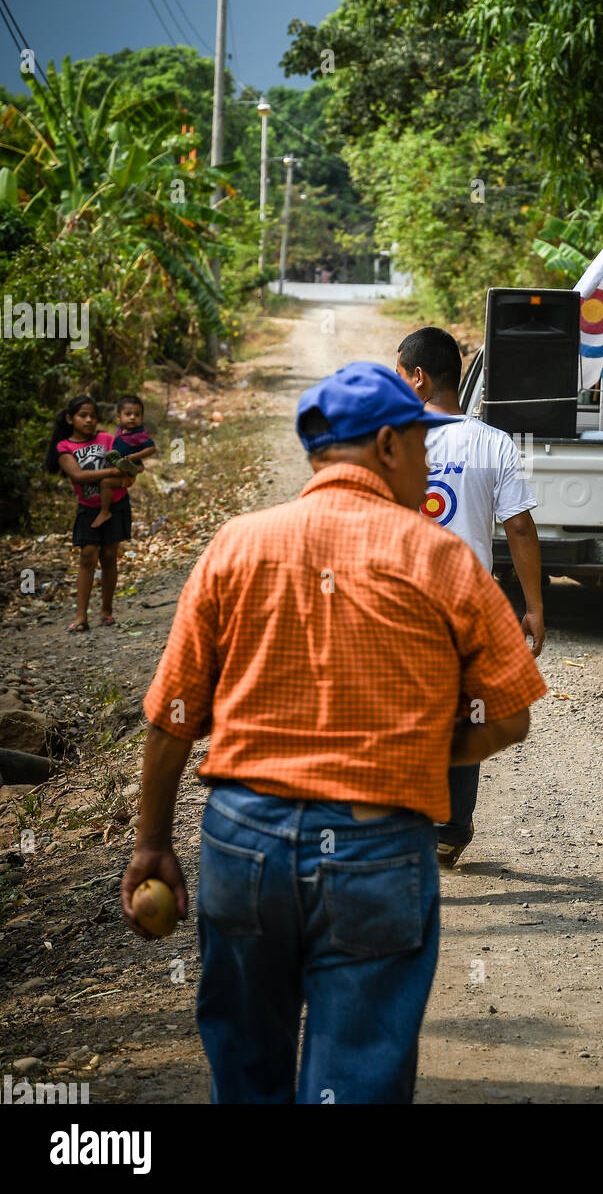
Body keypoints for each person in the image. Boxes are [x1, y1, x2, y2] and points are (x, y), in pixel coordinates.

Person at [121, 361, 547, 1104]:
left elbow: (172, 718)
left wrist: (151, 842)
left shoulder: (238, 544)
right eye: (421, 445)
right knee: (357, 1077)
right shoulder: (441, 557)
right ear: (386, 446)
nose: (427, 461)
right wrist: (425, 749)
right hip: (376, 848)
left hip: (241, 839)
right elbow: (508, 714)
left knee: (247, 1068)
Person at [397, 326, 545, 866]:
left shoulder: (392, 438)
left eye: (399, 376)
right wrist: (532, 607)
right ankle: (451, 829)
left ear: (418, 377)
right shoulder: (492, 441)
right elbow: (520, 529)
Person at [45, 394, 135, 631]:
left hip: (115, 504)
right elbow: (78, 476)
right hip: (88, 508)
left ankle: (106, 611)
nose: (89, 420)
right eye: (83, 416)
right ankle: (81, 616)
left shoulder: (107, 438)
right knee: (87, 556)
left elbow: (129, 468)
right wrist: (112, 474)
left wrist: (126, 475)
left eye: (93, 416)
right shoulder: (64, 447)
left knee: (108, 556)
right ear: (69, 418)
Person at [92, 393, 157, 530]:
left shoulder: (140, 433)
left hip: (127, 473)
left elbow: (151, 448)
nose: (132, 417)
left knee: (105, 483)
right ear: (118, 417)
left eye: (137, 414)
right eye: (128, 414)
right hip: (119, 465)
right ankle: (128, 466)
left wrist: (134, 457)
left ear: (142, 417)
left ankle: (104, 512)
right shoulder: (121, 430)